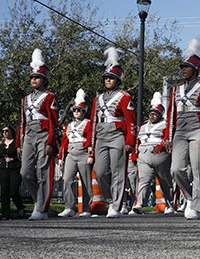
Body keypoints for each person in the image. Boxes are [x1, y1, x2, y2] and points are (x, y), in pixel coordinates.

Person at [165, 38, 200, 220]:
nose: (183, 69)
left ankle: (195, 205)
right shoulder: (175, 89)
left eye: (187, 67)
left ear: (196, 70)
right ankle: (189, 196)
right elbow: (171, 114)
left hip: (199, 129)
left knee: (197, 168)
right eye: (183, 67)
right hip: (180, 130)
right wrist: (168, 136)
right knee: (176, 169)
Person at [87, 47, 137, 218]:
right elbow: (93, 121)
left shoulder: (125, 97)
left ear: (118, 80)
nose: (108, 80)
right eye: (106, 78)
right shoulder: (97, 98)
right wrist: (90, 144)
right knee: (100, 172)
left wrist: (130, 141)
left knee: (117, 171)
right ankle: (112, 199)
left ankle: (116, 206)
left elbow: (131, 122)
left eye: (111, 78)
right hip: (101, 136)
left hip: (117, 136)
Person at [17, 49, 59, 221]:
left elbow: (54, 122)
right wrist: (19, 143)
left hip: (43, 134)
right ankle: (39, 201)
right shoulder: (25, 98)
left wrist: (50, 142)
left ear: (44, 80)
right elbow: (22, 121)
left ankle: (41, 209)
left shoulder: (50, 97)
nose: (34, 80)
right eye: (32, 77)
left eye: (37, 77)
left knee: (43, 173)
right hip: (28, 135)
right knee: (25, 173)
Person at [131, 92, 174, 215]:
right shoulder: (143, 126)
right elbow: (137, 141)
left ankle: (170, 204)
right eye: (151, 114)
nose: (152, 116)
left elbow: (168, 138)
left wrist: (161, 147)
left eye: (155, 114)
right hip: (144, 154)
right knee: (144, 180)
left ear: (160, 115)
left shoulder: (166, 124)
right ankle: (139, 204)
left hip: (160, 155)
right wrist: (135, 156)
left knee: (165, 181)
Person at [57, 89, 93, 218]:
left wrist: (91, 156)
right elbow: (64, 143)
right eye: (74, 110)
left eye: (79, 110)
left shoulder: (89, 123)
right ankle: (69, 207)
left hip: (83, 153)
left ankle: (86, 209)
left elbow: (91, 140)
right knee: (67, 180)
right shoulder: (68, 126)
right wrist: (61, 157)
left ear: (84, 111)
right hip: (71, 154)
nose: (76, 112)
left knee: (86, 182)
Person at [0, 124, 25, 220]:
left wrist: (12, 159)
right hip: (3, 170)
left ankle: (20, 208)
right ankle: (6, 214)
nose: (5, 133)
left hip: (14, 170)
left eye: (6, 131)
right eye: (3, 131)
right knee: (4, 193)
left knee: (14, 192)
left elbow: (20, 157)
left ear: (11, 132)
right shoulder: (1, 144)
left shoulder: (16, 143)